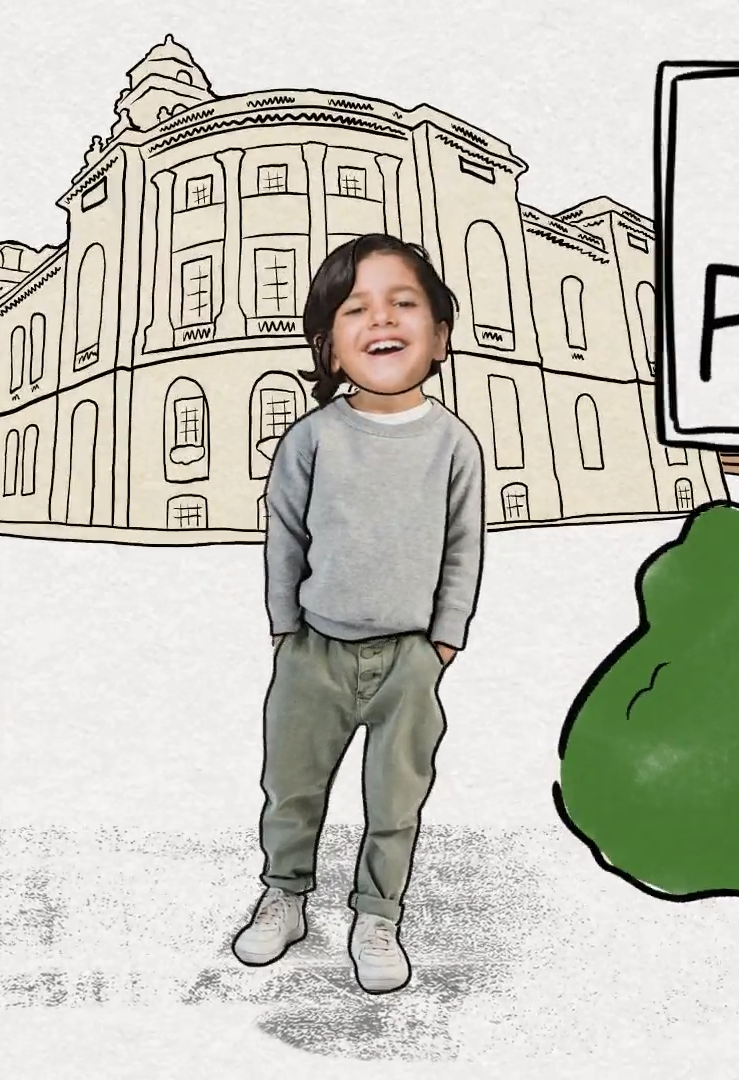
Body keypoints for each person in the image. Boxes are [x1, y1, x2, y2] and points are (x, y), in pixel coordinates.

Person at [230, 234, 486, 995]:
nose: (383, 320)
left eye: (405, 303)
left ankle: (378, 914)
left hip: (409, 658)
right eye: (357, 308)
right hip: (315, 651)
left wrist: (444, 639)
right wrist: (285, 625)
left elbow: (464, 544)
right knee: (293, 784)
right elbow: (286, 531)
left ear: (439, 335)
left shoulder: (453, 444)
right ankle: (285, 896)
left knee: (396, 796)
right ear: (329, 346)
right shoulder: (312, 438)